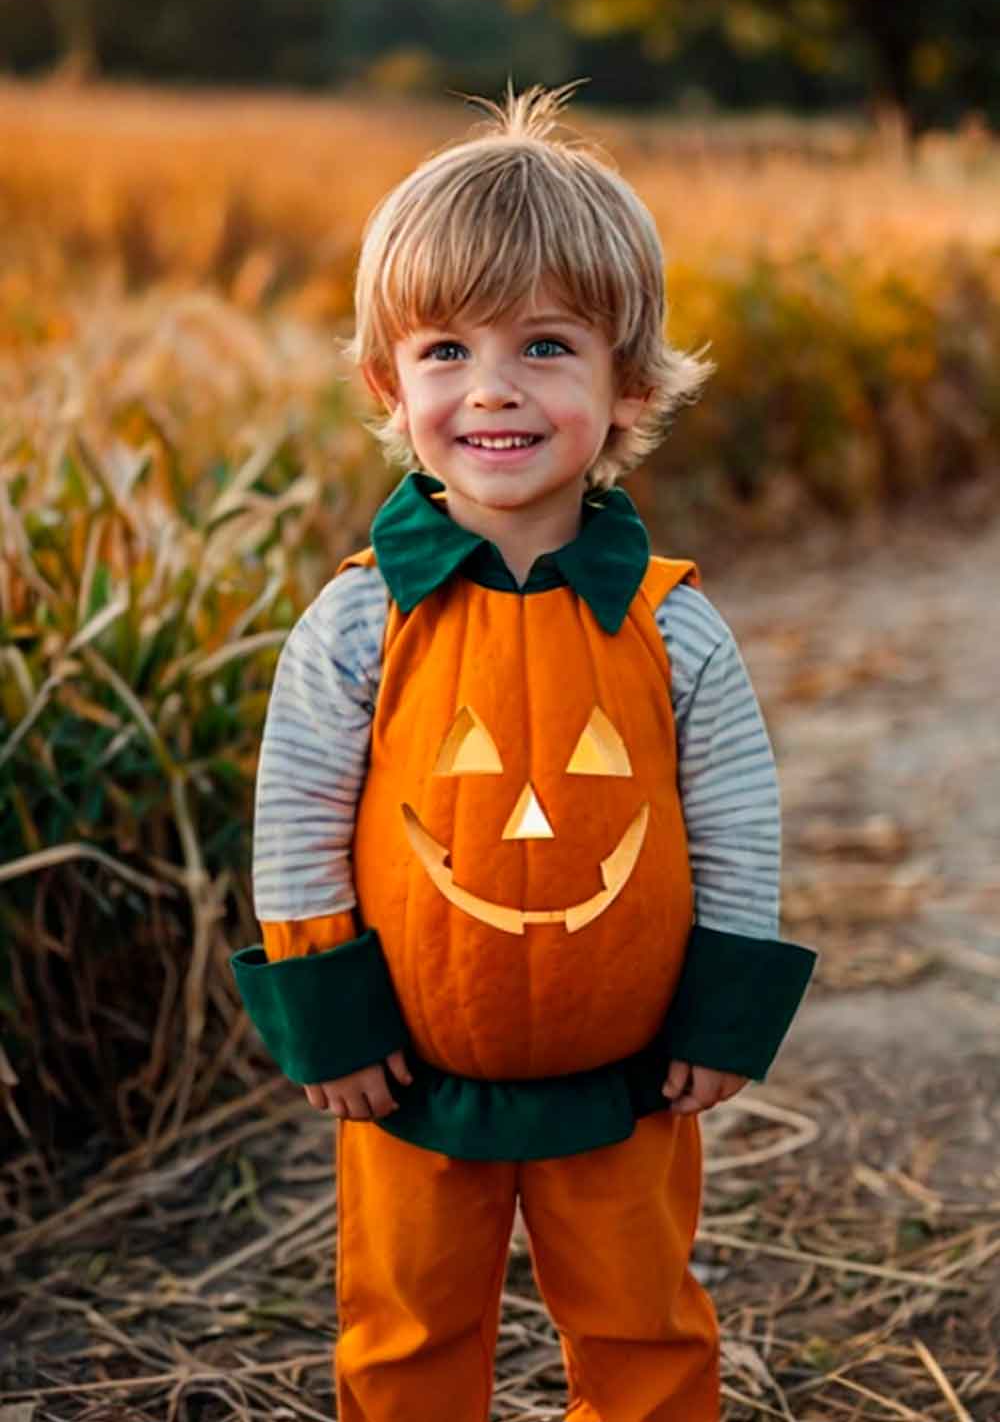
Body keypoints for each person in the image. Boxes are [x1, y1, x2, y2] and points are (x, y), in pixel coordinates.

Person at [231, 84, 816, 1422]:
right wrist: (330, 1014)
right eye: (445, 350)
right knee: (407, 1331)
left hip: (627, 1064)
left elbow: (732, 815)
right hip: (412, 1061)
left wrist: (724, 1009)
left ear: (630, 386)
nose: (492, 388)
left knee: (646, 1322)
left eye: (546, 345)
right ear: (391, 385)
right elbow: (300, 817)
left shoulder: (673, 624)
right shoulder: (361, 614)